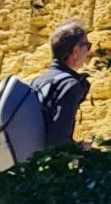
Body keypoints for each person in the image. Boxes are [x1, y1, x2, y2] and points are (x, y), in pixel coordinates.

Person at [29, 21, 94, 151]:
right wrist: (81, 148)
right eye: (87, 46)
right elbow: (58, 141)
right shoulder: (69, 85)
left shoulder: (36, 82)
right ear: (75, 51)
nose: (88, 52)